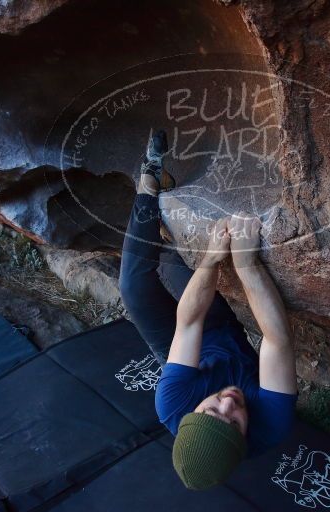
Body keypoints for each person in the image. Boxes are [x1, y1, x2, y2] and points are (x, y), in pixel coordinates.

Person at [119, 131, 297, 490]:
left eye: (212, 410)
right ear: (246, 439)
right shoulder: (272, 425)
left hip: (182, 348)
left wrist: (213, 259)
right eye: (234, 423)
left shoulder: (171, 403)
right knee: (176, 260)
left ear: (190, 414)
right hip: (222, 332)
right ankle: (169, 231)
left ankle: (150, 184)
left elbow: (187, 325)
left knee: (134, 288)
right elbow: (277, 341)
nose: (229, 405)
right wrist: (247, 266)